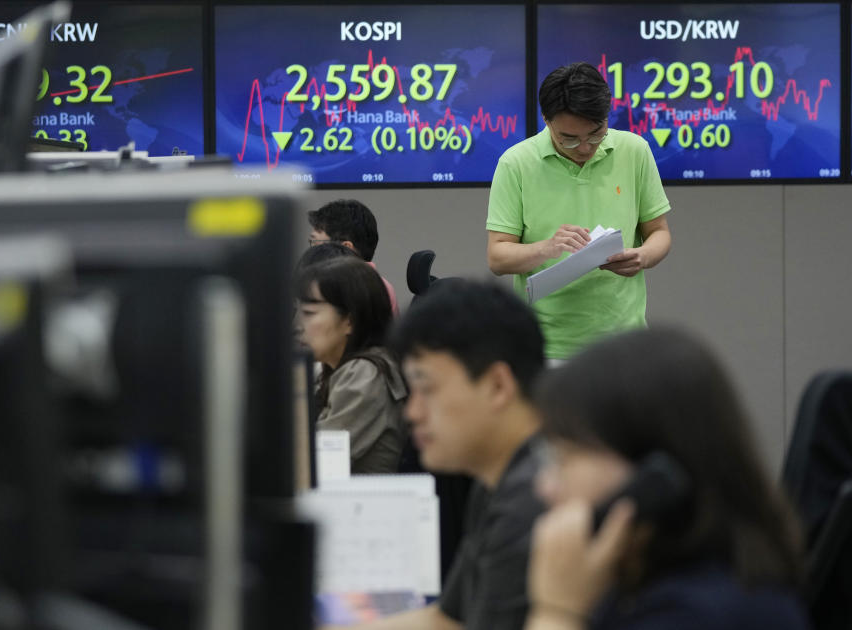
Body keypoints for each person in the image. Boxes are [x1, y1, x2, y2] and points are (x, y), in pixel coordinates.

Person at [523, 328, 810, 630]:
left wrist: (557, 612)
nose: (545, 486)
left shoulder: (701, 614)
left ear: (655, 475)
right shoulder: (633, 581)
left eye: (565, 459)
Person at [325, 281, 548, 630]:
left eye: (426, 389)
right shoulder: (497, 482)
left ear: (498, 386)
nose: (412, 412)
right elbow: (446, 619)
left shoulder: (534, 500)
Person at [486, 62, 672, 361]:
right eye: (569, 138)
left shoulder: (635, 150)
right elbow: (497, 257)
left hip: (624, 341)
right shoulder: (516, 163)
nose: (585, 147)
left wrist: (643, 256)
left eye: (596, 133)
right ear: (547, 121)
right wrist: (547, 248)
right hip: (546, 347)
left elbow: (659, 232)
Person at [295, 257, 407, 474]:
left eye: (309, 314)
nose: (298, 325)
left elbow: (309, 462)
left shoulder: (365, 375)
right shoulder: (342, 369)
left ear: (350, 321)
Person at [308, 199, 399, 315]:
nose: (311, 252)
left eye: (315, 243)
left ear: (346, 248)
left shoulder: (356, 289)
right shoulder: (380, 285)